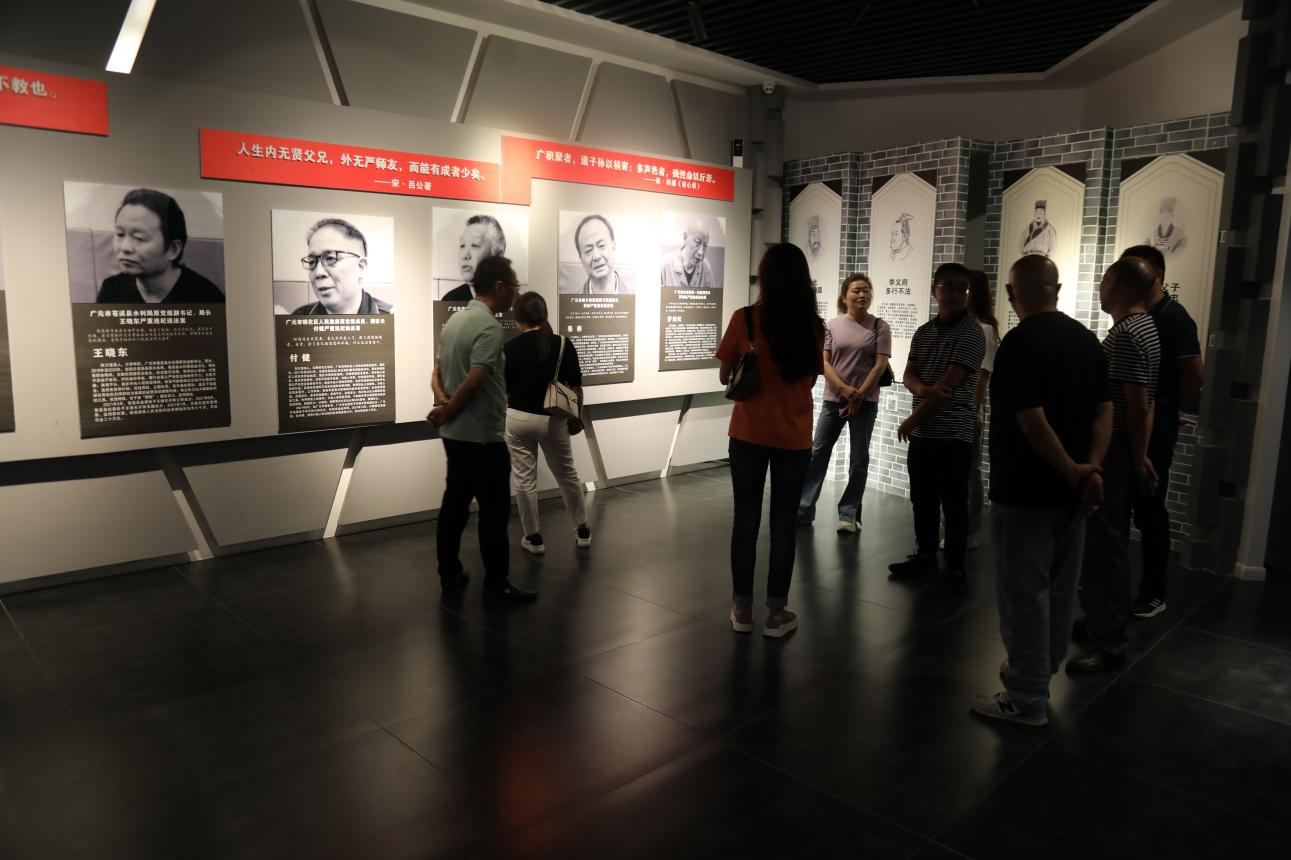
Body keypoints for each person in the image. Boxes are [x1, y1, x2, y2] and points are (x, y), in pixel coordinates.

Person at [969, 255, 1112, 726]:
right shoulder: (1087, 340)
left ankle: (1026, 696)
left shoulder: (1019, 344)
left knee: (1023, 593)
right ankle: (1038, 668)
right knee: (1060, 589)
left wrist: (1071, 469)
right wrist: (1089, 469)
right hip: (1074, 493)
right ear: (1058, 289)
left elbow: (1031, 421)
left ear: (1013, 294)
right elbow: (1104, 412)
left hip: (1025, 490)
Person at [717, 243, 823, 638]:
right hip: (793, 437)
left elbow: (725, 375)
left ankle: (742, 609)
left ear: (765, 277)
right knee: (783, 523)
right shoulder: (813, 326)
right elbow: (810, 379)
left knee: (745, 520)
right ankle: (776, 613)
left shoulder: (745, 318)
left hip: (748, 433)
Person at [1068, 256, 1161, 673]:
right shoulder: (1146, 328)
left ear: (1117, 284)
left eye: (1104, 280)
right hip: (1123, 449)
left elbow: (1137, 405)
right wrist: (1141, 453)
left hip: (1114, 450)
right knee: (1106, 541)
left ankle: (1108, 642)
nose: (1100, 288)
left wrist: (1137, 458)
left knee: (1105, 546)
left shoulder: (1127, 335)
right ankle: (1100, 621)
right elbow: (1147, 402)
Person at [428, 255, 536, 606]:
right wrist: (449, 410)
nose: (515, 294)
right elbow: (475, 380)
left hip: (455, 436)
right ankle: (497, 584)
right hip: (483, 438)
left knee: (454, 507)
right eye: (514, 287)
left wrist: (444, 404)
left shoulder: (455, 321)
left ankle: (449, 572)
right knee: (493, 514)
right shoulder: (488, 326)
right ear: (501, 287)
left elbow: (437, 373)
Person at [888, 262, 985, 597]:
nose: (955, 294)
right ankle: (925, 555)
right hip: (924, 435)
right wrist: (922, 390)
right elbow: (910, 373)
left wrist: (913, 417)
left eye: (962, 288)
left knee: (954, 504)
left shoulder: (972, 333)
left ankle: (955, 569)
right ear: (935, 290)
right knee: (923, 498)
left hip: (952, 433)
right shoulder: (924, 331)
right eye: (948, 287)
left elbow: (949, 386)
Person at [1120, 244, 1204, 619]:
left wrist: (1177, 408)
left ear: (1154, 274)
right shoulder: (1141, 315)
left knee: (1149, 507)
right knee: (1127, 505)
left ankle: (1154, 592)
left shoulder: (1174, 317)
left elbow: (1195, 373)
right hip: (1137, 421)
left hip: (1157, 423)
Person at [797, 273, 891, 533]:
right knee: (818, 453)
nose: (862, 295)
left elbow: (880, 365)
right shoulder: (831, 325)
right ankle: (803, 510)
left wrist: (858, 394)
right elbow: (824, 362)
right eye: (856, 290)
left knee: (858, 459)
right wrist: (844, 390)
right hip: (833, 400)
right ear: (844, 296)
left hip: (865, 402)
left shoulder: (879, 326)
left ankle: (849, 515)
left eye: (866, 290)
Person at [503, 291, 592, 555]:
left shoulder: (510, 348)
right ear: (545, 315)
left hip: (518, 419)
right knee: (567, 475)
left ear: (518, 318)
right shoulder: (563, 343)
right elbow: (576, 387)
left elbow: (503, 388)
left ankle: (533, 537)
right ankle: (582, 529)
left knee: (524, 481)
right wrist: (577, 418)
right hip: (553, 419)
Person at [96, 188, 225, 304]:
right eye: (120, 234)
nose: (125, 247)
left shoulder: (207, 298)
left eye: (139, 238)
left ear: (173, 249)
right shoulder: (111, 289)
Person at [965, 269, 1001, 549]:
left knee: (969, 471)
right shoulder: (964, 326)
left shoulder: (984, 329)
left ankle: (969, 531)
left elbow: (982, 375)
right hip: (954, 408)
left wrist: (972, 412)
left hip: (968, 409)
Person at [292, 218, 391, 315]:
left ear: (361, 267)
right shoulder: (299, 317)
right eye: (312, 262)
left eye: (330, 258)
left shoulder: (391, 318)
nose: (318, 273)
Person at [441, 214, 505, 302]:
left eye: (475, 245)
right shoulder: (449, 300)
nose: (465, 255)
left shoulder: (515, 302)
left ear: (498, 256)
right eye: (462, 245)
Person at [565, 214, 627, 295]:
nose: (596, 256)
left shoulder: (634, 295)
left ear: (614, 246)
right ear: (581, 258)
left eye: (601, 245)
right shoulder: (572, 302)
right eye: (588, 250)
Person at [660, 220, 717, 289]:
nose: (701, 253)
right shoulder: (664, 265)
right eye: (698, 242)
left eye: (705, 246)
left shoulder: (706, 267)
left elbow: (714, 295)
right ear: (685, 237)